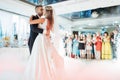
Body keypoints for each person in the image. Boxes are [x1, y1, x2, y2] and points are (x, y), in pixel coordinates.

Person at [24, 6, 64, 80]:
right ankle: (47, 72)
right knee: (46, 57)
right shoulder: (51, 20)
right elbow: (49, 31)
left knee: (39, 56)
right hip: (46, 39)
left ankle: (38, 73)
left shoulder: (43, 19)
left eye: (44, 10)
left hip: (41, 39)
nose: (43, 10)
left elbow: (30, 22)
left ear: (46, 12)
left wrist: (30, 17)